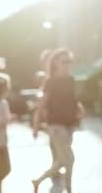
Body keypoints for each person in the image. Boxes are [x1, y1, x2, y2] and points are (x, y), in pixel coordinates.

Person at [32, 48, 84, 193]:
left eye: (69, 61)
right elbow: (42, 104)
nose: (67, 64)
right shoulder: (51, 81)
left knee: (61, 160)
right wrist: (35, 125)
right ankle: (69, 189)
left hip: (70, 124)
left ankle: (38, 180)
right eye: (64, 61)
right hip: (55, 125)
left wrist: (80, 109)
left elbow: (73, 100)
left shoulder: (71, 80)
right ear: (56, 63)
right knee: (70, 159)